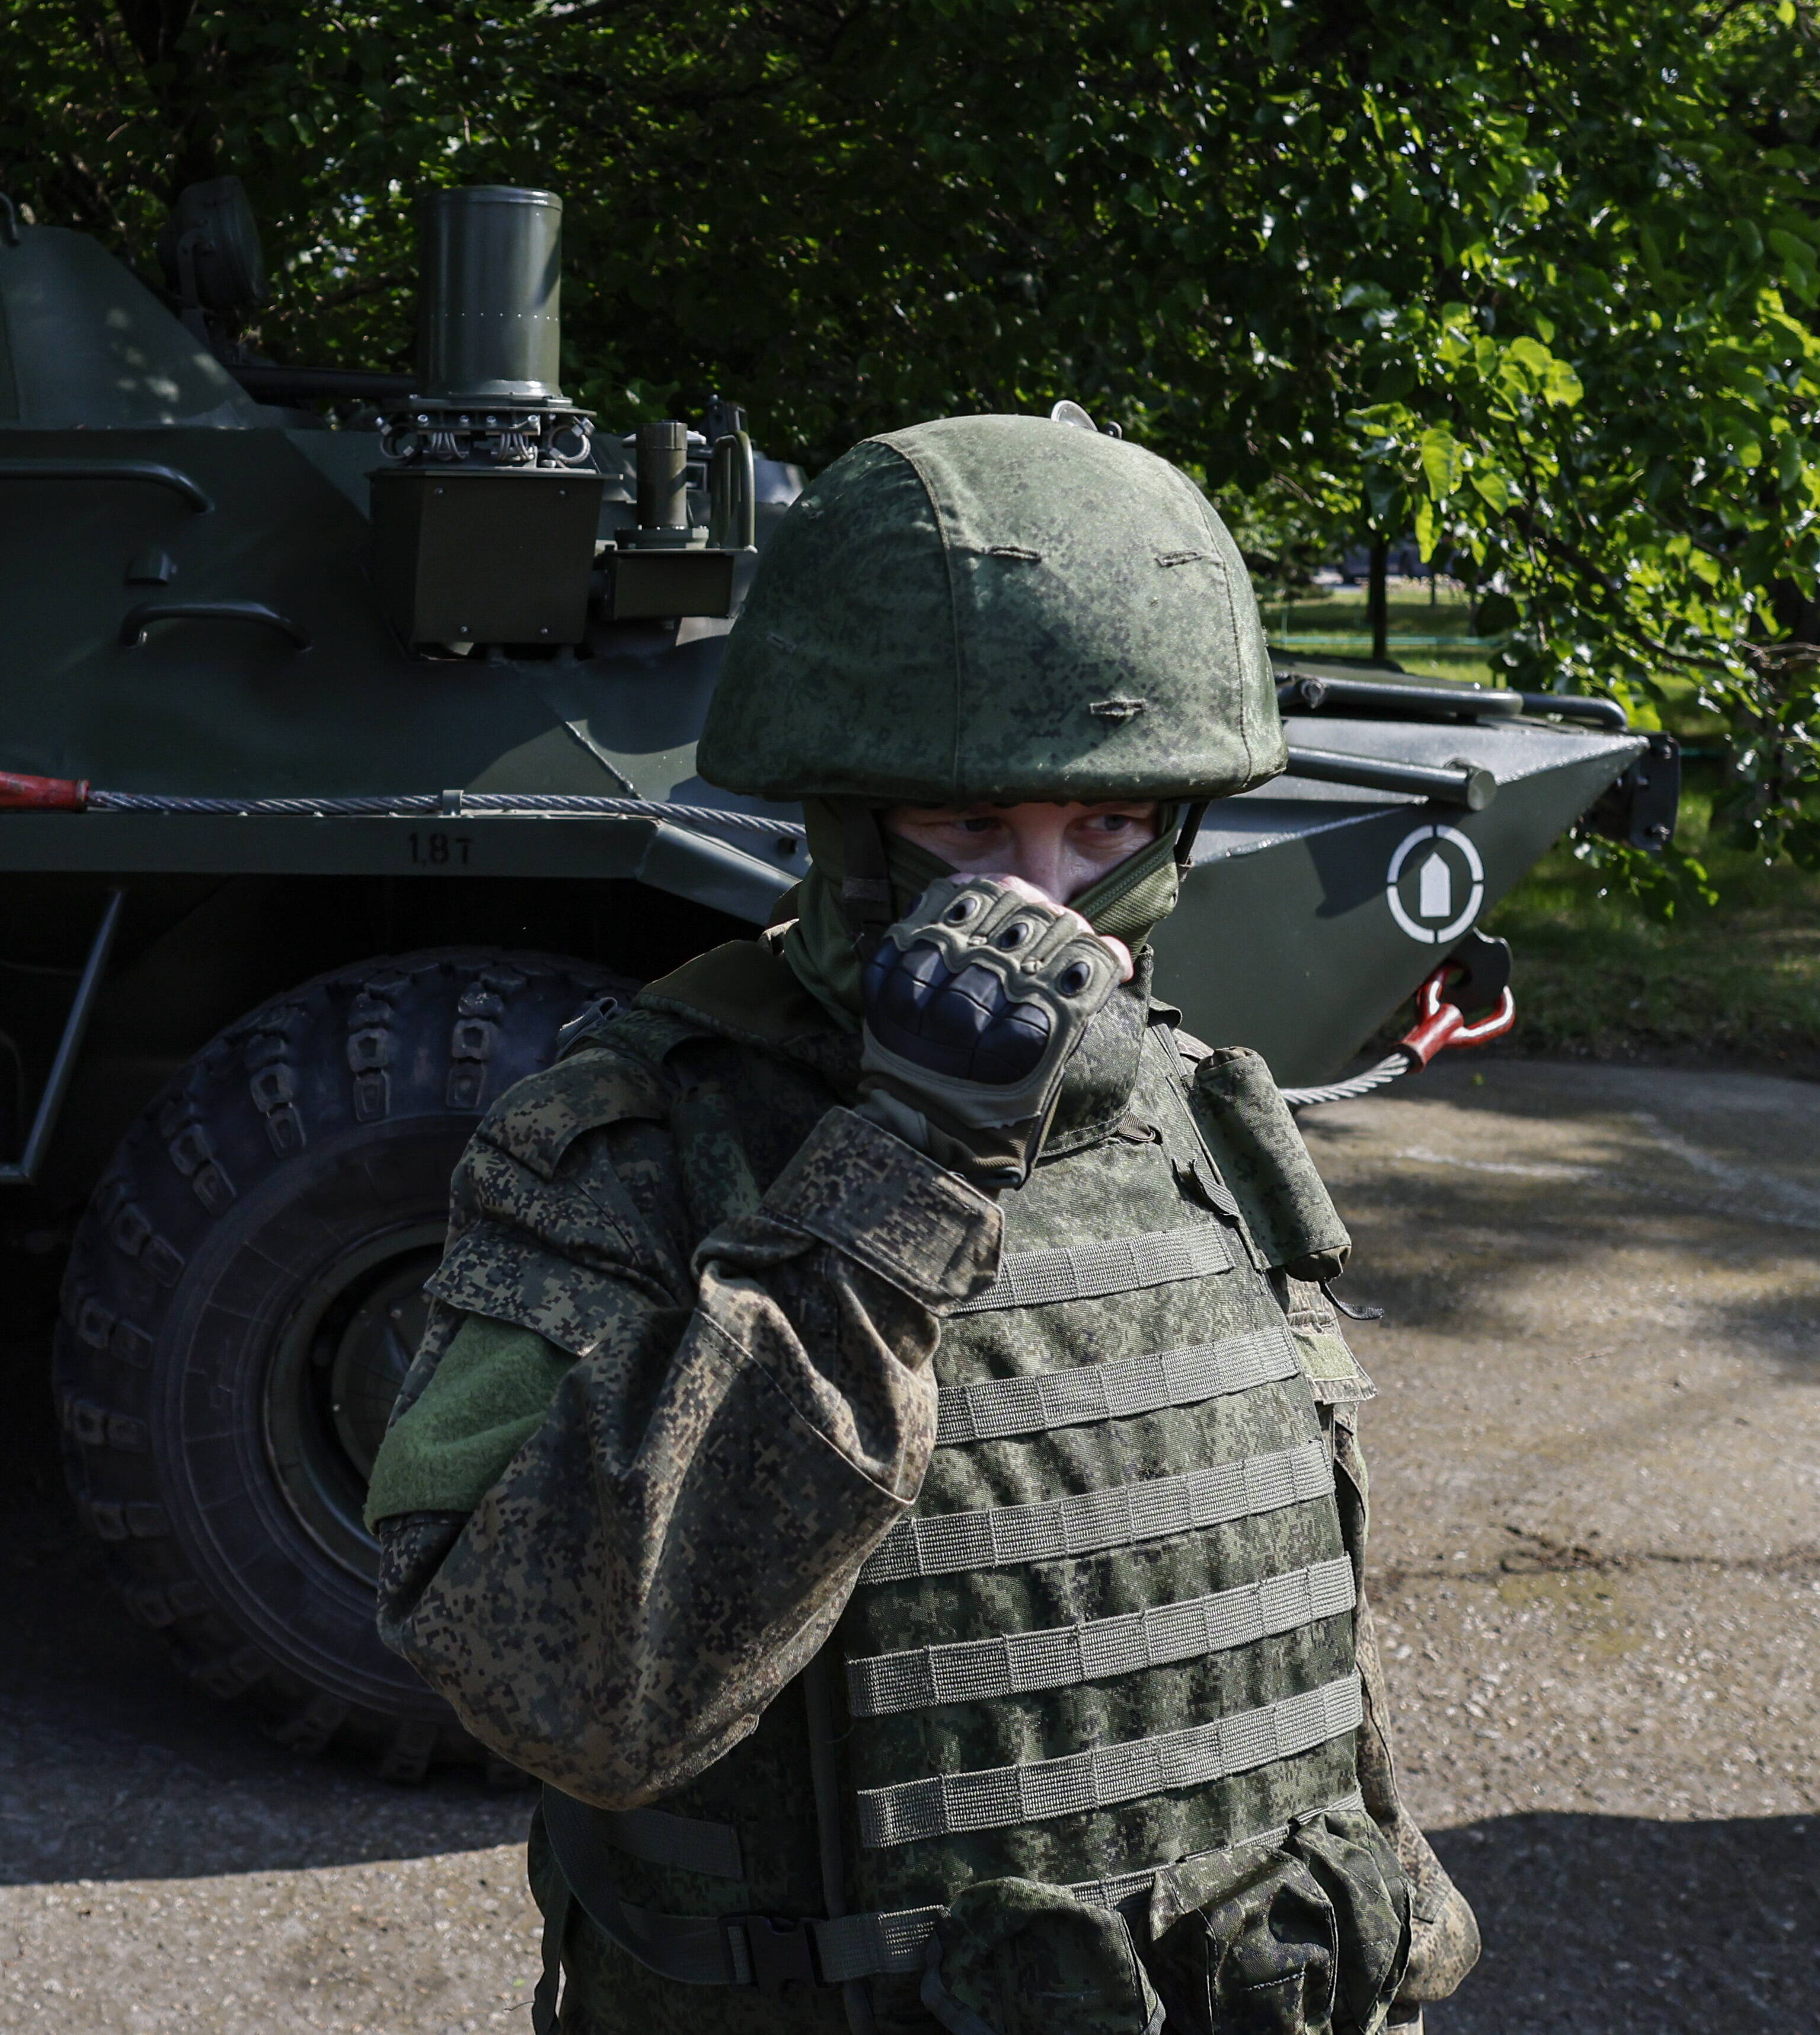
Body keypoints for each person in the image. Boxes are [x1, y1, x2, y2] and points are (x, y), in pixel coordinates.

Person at [366, 410, 1479, 2034]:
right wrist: (903, 1169)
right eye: (967, 831)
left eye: (1102, 831)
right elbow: (568, 1696)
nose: (1041, 907)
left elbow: (1283, 1663)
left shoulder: (1188, 1110)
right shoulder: (635, 1138)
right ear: (842, 816)